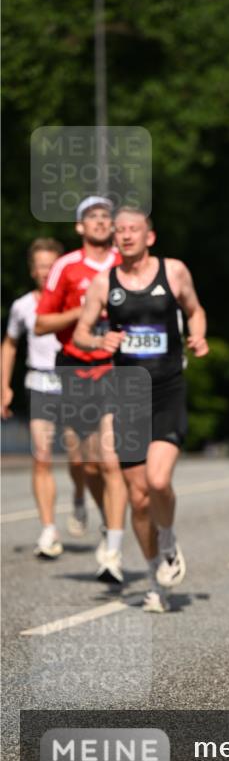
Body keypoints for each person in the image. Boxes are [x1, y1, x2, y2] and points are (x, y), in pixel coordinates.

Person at [74, 206, 208, 612]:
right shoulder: (104, 282)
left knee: (158, 479)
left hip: (167, 388)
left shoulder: (175, 271)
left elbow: (195, 311)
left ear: (149, 236)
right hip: (127, 393)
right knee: (137, 495)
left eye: (134, 230)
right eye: (120, 231)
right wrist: (99, 343)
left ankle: (167, 540)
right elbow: (81, 331)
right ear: (114, 238)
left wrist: (198, 337)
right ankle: (155, 579)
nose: (126, 235)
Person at [34, 196, 127, 582]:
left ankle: (113, 549)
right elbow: (41, 324)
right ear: (79, 226)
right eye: (93, 216)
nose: (102, 221)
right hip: (74, 367)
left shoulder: (127, 263)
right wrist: (86, 310)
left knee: (110, 460)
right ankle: (107, 521)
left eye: (107, 216)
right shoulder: (66, 267)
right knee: (85, 465)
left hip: (117, 369)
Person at [1, 238, 88, 557]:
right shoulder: (23, 306)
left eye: (51, 266)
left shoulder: (76, 302)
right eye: (40, 266)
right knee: (41, 456)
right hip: (39, 380)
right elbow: (9, 344)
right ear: (32, 270)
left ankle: (79, 496)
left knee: (77, 458)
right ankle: (49, 530)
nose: (45, 271)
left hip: (74, 381)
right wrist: (4, 386)